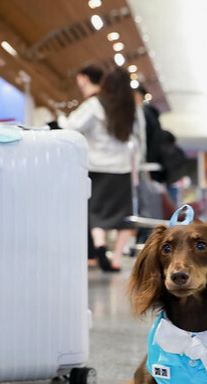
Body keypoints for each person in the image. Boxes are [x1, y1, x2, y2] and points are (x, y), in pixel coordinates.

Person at [57, 65, 140, 272]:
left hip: (97, 166)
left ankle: (101, 247)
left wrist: (59, 118)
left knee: (96, 212)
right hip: (121, 168)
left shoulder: (94, 104)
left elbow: (72, 127)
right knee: (124, 217)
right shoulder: (131, 108)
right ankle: (117, 259)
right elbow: (137, 140)